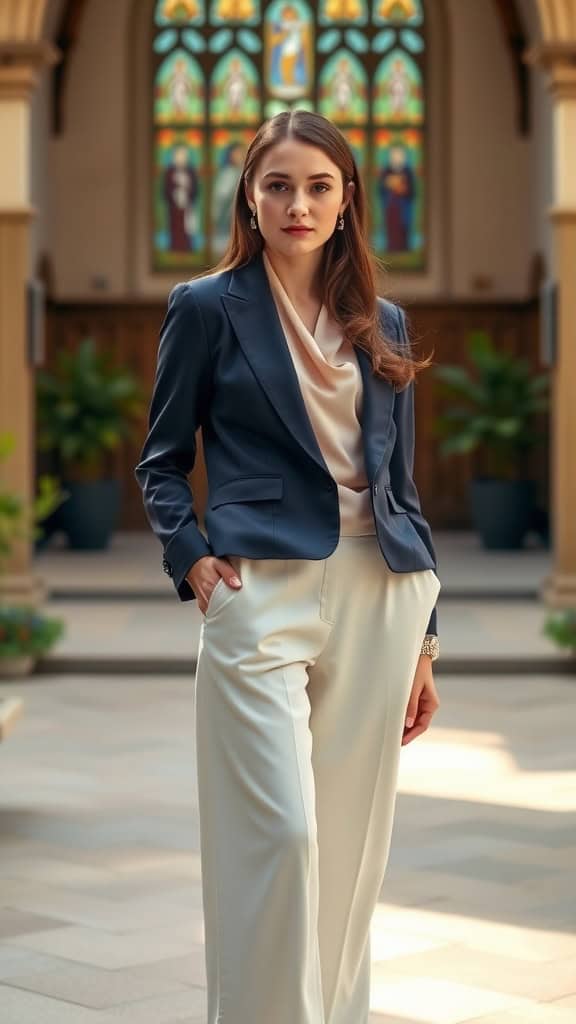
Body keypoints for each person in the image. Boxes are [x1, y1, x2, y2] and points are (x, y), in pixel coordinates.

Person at [135, 109, 441, 1024]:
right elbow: (159, 460)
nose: (297, 203)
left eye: (318, 186)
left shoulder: (380, 320)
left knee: (350, 852)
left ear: (347, 201)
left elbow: (404, 490)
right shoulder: (205, 306)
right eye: (278, 185)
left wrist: (426, 637)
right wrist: (190, 562)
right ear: (250, 195)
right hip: (255, 591)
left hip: (380, 592)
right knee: (283, 835)